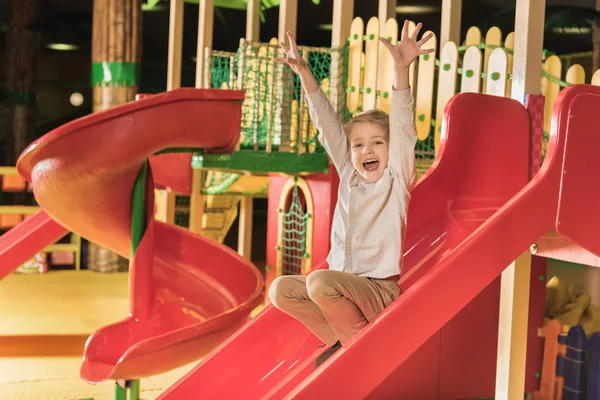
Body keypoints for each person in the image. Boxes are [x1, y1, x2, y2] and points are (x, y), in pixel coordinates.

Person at [268, 20, 434, 368]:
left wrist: (401, 71)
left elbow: (403, 130)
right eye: (358, 145)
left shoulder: (396, 179)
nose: (366, 150)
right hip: (338, 287)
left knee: (319, 281)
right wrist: (304, 74)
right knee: (280, 290)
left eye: (377, 142)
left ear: (391, 150)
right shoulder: (348, 175)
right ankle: (338, 337)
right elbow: (327, 124)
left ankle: (358, 344)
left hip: (378, 293)